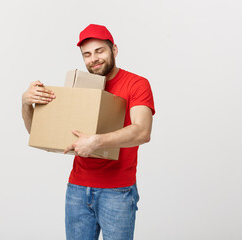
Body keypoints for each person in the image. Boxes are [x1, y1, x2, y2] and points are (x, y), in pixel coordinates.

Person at [22, 24, 155, 240]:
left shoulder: (136, 84)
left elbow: (142, 131)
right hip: (77, 189)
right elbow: (40, 135)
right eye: (87, 54)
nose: (94, 58)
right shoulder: (81, 87)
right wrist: (26, 104)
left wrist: (96, 142)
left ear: (114, 50)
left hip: (117, 191)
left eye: (100, 51)